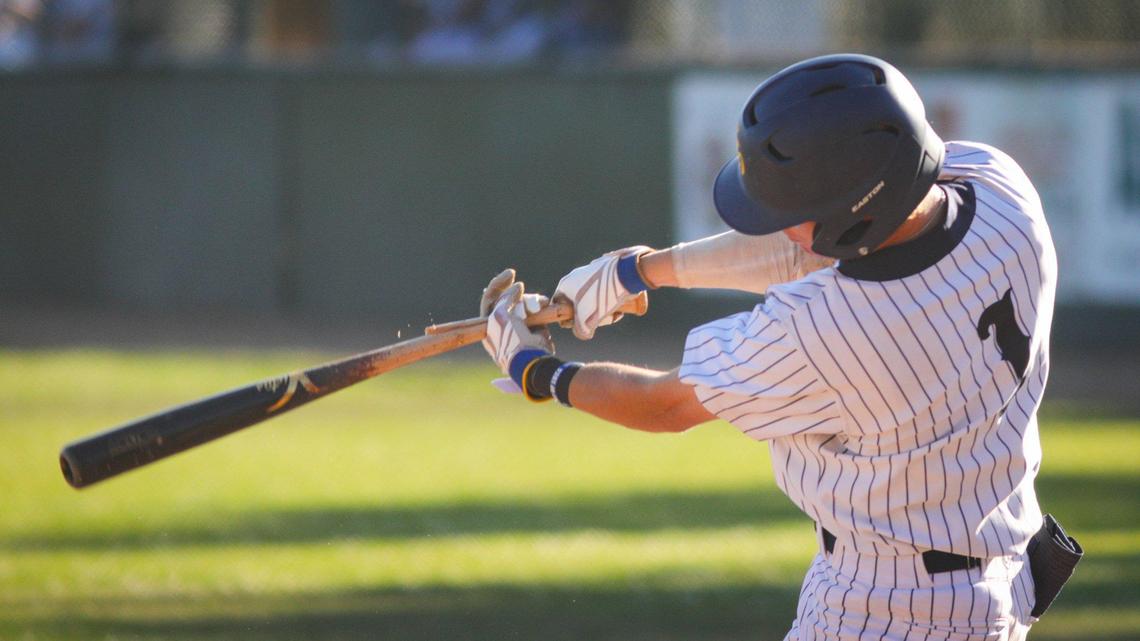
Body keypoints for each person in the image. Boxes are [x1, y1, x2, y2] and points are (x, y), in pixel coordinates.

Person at [479, 53, 1070, 640]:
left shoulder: (829, 329)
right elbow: (818, 245)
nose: (779, 224)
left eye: (796, 212)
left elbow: (663, 405)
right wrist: (640, 272)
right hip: (994, 580)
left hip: (889, 610)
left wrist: (538, 371)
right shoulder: (1002, 193)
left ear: (858, 210)